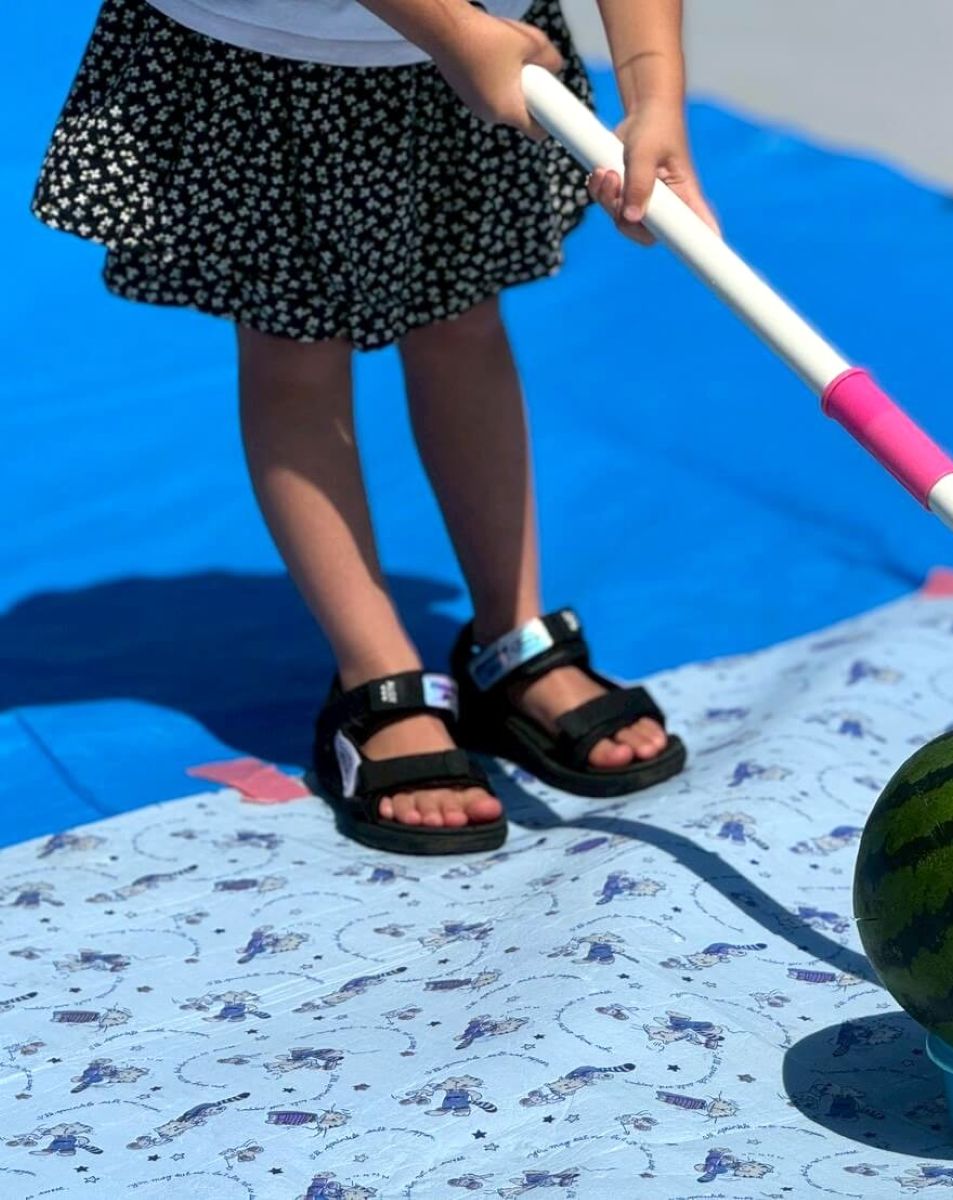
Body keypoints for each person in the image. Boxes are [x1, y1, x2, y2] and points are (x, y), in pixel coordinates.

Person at [32, 0, 714, 854]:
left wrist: (655, 94)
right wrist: (454, 33)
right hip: (271, 49)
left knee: (464, 318)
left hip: (485, 50)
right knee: (295, 349)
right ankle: (374, 667)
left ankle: (511, 638)